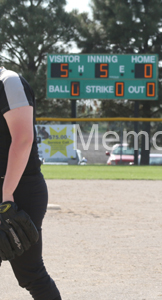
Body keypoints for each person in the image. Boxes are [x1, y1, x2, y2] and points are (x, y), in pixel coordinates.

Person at [0, 66, 61, 300]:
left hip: (18, 190)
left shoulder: (9, 81)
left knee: (30, 273)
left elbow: (23, 139)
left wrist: (7, 195)